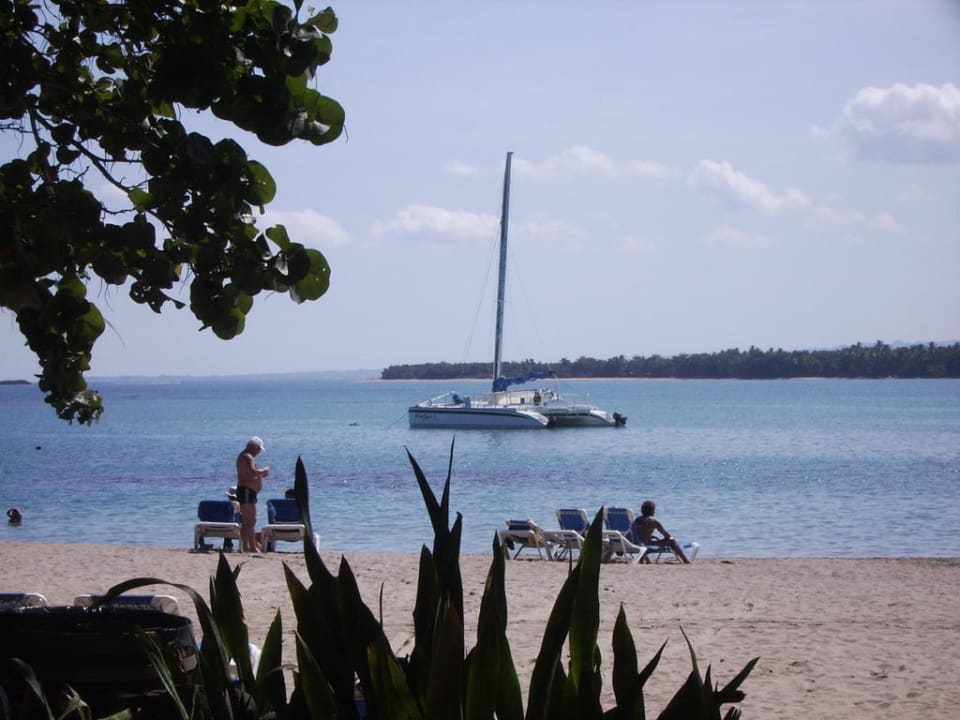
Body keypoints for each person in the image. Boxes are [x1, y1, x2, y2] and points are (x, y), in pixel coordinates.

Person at [236, 436, 270, 552]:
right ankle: (250, 547)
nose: (259, 452)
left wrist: (260, 475)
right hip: (246, 491)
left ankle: (247, 546)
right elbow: (252, 472)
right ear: (253, 447)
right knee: (250, 520)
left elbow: (252, 474)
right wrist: (263, 471)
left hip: (248, 491)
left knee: (249, 520)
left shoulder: (245, 456)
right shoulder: (247, 457)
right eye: (258, 449)